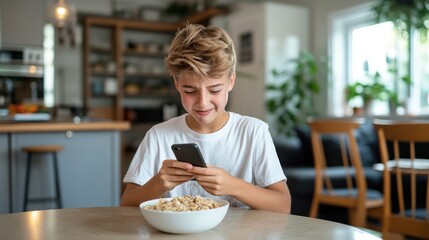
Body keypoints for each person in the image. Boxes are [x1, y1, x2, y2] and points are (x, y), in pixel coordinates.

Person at [120, 24, 291, 213]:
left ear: (231, 81)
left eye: (214, 90)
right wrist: (158, 184)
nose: (202, 102)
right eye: (190, 91)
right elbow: (126, 202)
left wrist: (233, 186)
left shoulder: (253, 132)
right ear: (177, 84)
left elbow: (283, 205)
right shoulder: (159, 136)